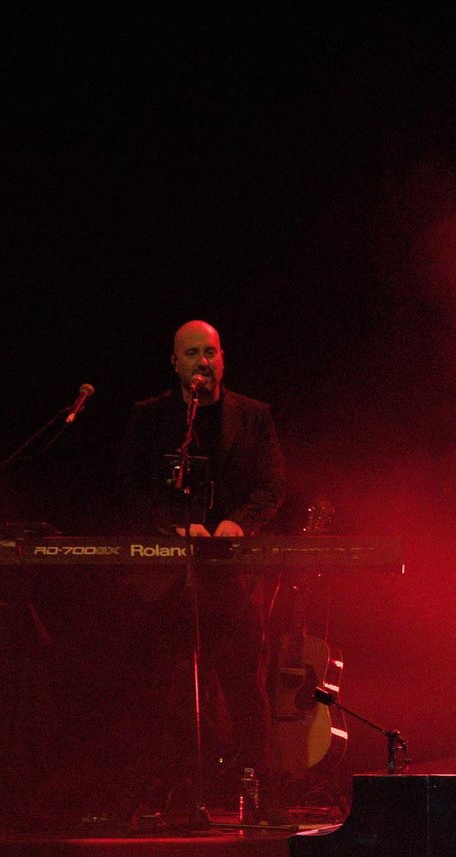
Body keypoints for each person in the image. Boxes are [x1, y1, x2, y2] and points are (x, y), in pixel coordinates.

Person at [116, 319, 288, 823]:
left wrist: (240, 522)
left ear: (222, 359)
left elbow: (273, 485)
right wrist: (173, 525)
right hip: (169, 579)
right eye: (191, 354)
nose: (202, 363)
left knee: (244, 685)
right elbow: (129, 485)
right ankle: (173, 790)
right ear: (175, 364)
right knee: (168, 686)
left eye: (209, 353)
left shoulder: (253, 416)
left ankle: (258, 789)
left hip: (230, 576)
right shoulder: (150, 417)